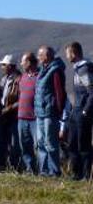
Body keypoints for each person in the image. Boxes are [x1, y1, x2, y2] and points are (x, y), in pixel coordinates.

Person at [35, 46, 67, 177]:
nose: (38, 57)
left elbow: (59, 93)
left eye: (40, 55)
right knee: (41, 143)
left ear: (46, 56)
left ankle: (54, 171)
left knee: (50, 143)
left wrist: (58, 112)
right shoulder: (43, 69)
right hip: (40, 112)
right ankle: (44, 171)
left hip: (50, 113)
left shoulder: (55, 70)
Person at [64, 42, 93, 180]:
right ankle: (76, 174)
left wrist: (85, 111)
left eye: (68, 53)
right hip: (75, 111)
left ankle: (86, 175)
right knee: (72, 144)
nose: (67, 56)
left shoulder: (84, 69)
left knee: (83, 145)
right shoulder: (77, 69)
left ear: (73, 53)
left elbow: (91, 92)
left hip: (81, 112)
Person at [0, 55, 22, 171]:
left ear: (10, 66)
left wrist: (9, 108)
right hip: (3, 115)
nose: (2, 67)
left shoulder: (19, 79)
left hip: (14, 116)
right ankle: (1, 165)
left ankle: (15, 166)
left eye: (3, 65)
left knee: (14, 143)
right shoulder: (4, 79)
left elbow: (22, 100)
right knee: (1, 141)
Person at [17, 52, 39, 174]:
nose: (21, 64)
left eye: (23, 61)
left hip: (34, 118)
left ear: (29, 62)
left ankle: (42, 169)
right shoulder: (23, 77)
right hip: (22, 117)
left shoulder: (40, 76)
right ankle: (30, 169)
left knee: (38, 145)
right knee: (25, 146)